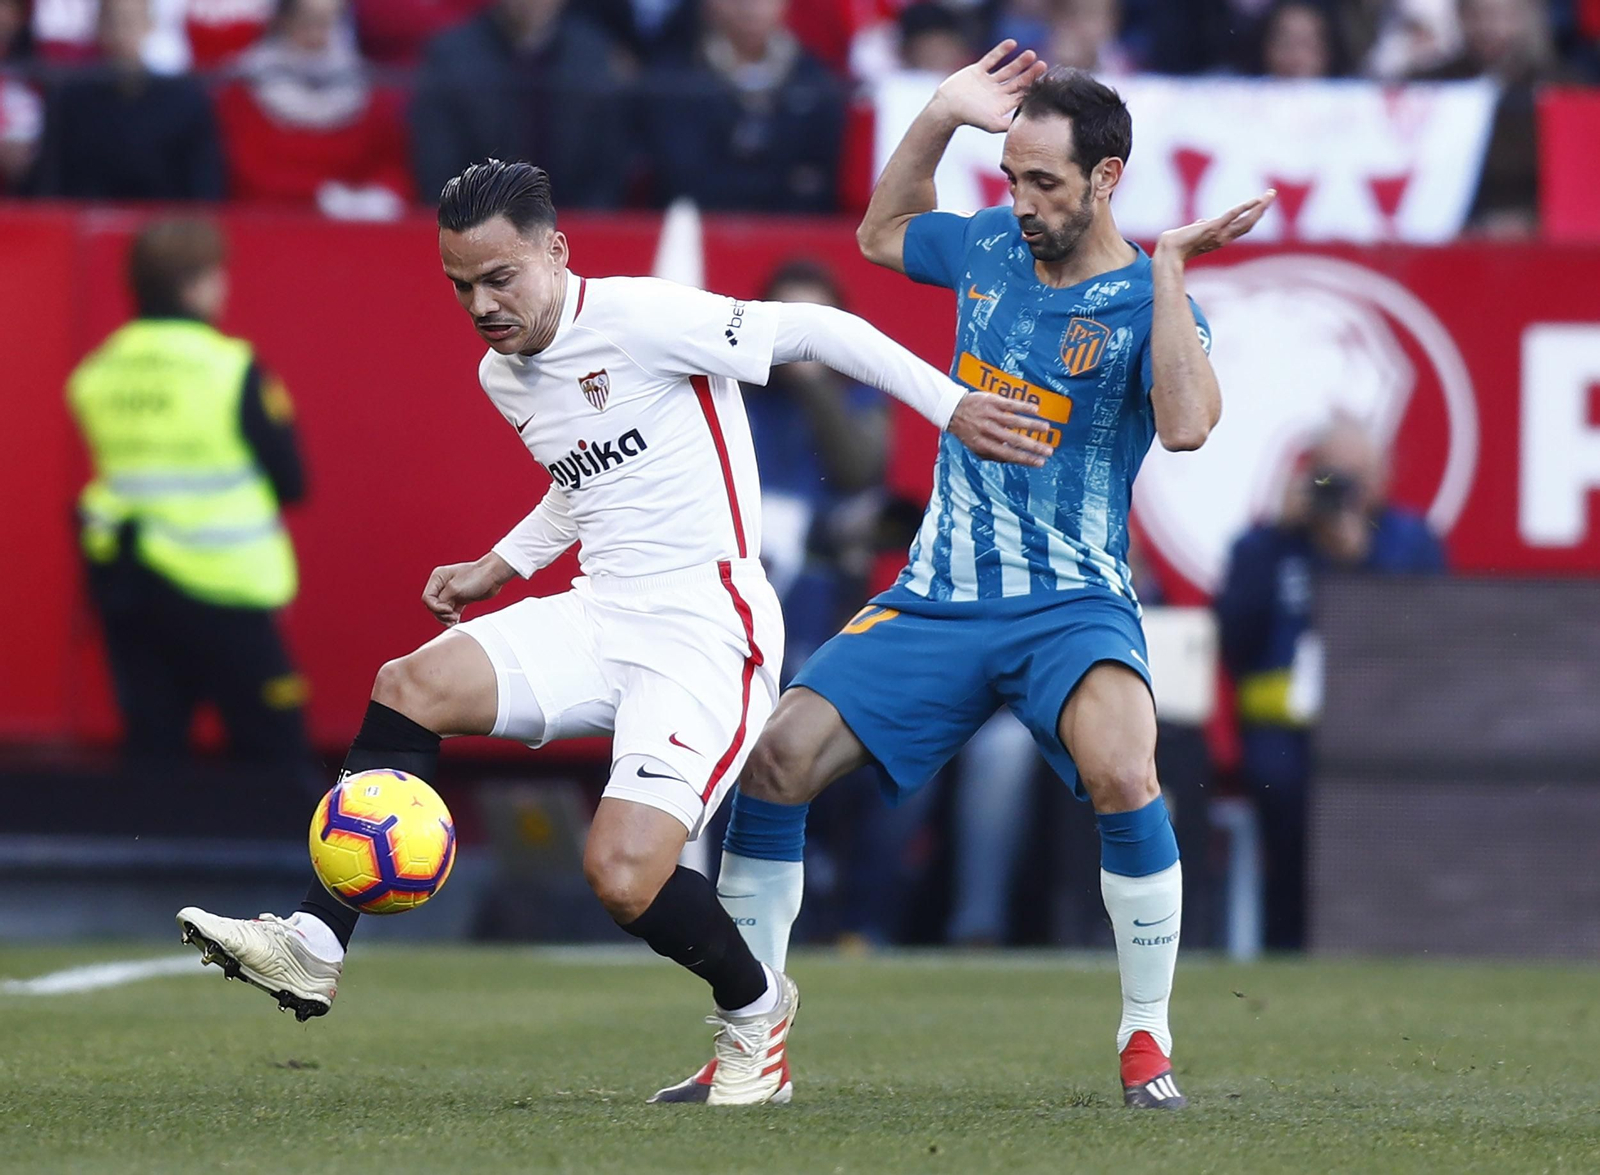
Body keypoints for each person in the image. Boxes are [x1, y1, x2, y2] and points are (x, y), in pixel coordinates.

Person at [173, 158, 1050, 1107]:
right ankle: (314, 943)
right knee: (408, 684)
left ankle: (756, 1016)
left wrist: (949, 403)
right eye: (460, 285)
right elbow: (583, 478)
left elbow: (823, 329)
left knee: (625, 875)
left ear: (555, 251)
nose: (481, 305)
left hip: (707, 628)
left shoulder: (641, 316)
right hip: (603, 611)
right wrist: (499, 566)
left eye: (500, 278)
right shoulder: (501, 374)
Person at [654, 47, 1275, 1110]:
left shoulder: (1141, 299)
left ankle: (1144, 1041)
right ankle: (749, 1039)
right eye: (1010, 178)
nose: (1020, 204)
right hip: (935, 594)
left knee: (1127, 769)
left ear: (1106, 178)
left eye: (1044, 183)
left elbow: (1185, 426)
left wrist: (1169, 272)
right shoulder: (989, 243)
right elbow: (881, 233)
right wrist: (942, 115)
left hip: (1070, 603)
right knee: (775, 763)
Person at [68, 217, 314, 790]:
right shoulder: (230, 369)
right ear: (194, 286)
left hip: (129, 582)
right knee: (276, 758)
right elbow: (293, 481)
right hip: (224, 584)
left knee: (154, 753)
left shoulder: (99, 372)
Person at [1214, 416, 1446, 950]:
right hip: (1284, 732)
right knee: (1285, 790)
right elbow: (1235, 641)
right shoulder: (1266, 546)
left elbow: (1434, 633)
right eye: (1328, 477)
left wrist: (1360, 560)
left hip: (1384, 729)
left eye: (1355, 478)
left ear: (1383, 479)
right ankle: (1286, 943)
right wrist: (1277, 534)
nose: (1340, 492)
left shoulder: (1408, 542)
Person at [408, 0, 628, 206]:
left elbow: (608, 168)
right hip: (478, 228)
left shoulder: (594, 56)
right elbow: (439, 169)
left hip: (578, 229)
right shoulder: (450, 57)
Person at [641, 0, 846, 213]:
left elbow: (820, 183)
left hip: (794, 237)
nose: (751, 6)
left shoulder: (816, 81)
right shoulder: (674, 79)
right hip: (700, 230)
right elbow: (682, 179)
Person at [218, 0, 412, 217]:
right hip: (272, 225)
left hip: (355, 229)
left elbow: (389, 163)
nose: (316, 34)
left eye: (328, 22)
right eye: (307, 22)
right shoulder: (244, 92)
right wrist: (319, 197)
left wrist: (375, 198)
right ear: (284, 22)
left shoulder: (370, 95)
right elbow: (248, 173)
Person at [36, 0, 225, 200]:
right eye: (112, 20)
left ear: (149, 24)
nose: (121, 32)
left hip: (165, 226)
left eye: (131, 20)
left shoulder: (186, 100)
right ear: (97, 25)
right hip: (84, 224)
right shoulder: (69, 100)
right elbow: (50, 186)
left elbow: (205, 189)